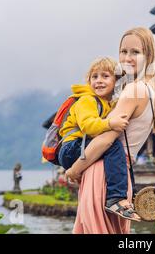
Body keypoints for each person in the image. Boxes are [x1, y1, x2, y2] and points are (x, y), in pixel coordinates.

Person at [65, 27, 155, 233]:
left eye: (135, 52)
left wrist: (74, 171)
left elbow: (104, 140)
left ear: (148, 56)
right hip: (120, 179)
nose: (127, 57)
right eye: (123, 51)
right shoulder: (151, 92)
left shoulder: (133, 89)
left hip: (102, 174)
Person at [58, 57, 138, 220]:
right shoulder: (87, 100)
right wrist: (110, 123)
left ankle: (120, 194)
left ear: (116, 81)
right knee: (113, 146)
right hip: (71, 148)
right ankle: (115, 197)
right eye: (94, 77)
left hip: (80, 147)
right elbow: (87, 125)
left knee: (113, 152)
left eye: (105, 76)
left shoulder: (109, 104)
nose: (99, 81)